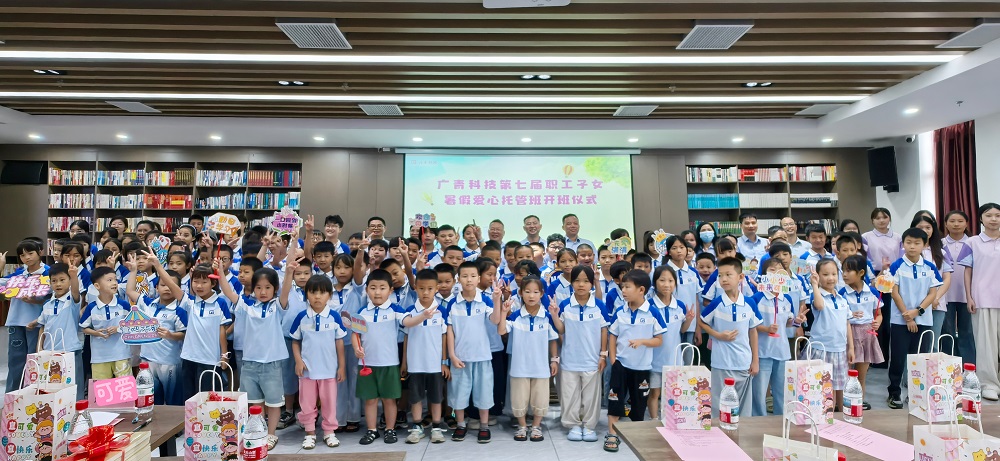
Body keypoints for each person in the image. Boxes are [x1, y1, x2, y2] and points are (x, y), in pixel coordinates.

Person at [605, 270, 665, 453]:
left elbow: (659, 340)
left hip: (642, 367)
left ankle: (636, 433)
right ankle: (612, 434)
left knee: (639, 403)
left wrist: (642, 342)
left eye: (627, 287)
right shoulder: (620, 311)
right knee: (615, 399)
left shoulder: (653, 312)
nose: (623, 290)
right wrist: (613, 360)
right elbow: (613, 336)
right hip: (621, 365)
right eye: (622, 286)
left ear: (641, 290)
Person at [345, 268, 406, 444]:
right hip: (367, 364)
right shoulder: (362, 312)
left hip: (389, 363)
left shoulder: (395, 310)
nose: (377, 292)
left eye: (382, 288)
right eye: (373, 288)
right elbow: (355, 335)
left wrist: (423, 315)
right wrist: (356, 348)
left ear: (390, 290)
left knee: (389, 400)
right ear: (366, 290)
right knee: (370, 400)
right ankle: (372, 430)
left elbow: (408, 321)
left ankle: (390, 429)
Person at [446, 261, 504, 443]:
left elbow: (495, 320)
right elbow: (449, 331)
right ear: (458, 279)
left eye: (472, 276)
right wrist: (452, 355)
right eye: (464, 276)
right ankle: (461, 424)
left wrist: (497, 300)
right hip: (460, 358)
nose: (469, 280)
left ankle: (484, 426)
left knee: (484, 392)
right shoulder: (453, 303)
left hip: (482, 356)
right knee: (459, 393)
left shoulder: (485, 300)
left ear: (478, 278)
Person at [496, 275, 559, 442]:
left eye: (536, 292)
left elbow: (553, 339)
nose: (531, 296)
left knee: (540, 398)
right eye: (527, 291)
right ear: (521, 293)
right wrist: (504, 313)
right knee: (519, 398)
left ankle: (536, 426)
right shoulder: (515, 316)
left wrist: (554, 359)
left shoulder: (547, 316)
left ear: (542, 294)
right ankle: (522, 426)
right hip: (519, 366)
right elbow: (501, 331)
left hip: (540, 367)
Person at [289, 274, 348, 449]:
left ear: (329, 295)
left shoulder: (335, 317)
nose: (317, 297)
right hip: (307, 370)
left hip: (329, 370)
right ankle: (310, 432)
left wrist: (342, 366)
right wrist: (298, 361)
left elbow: (339, 343)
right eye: (313, 292)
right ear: (306, 294)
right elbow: (295, 341)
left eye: (322, 293)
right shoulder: (301, 317)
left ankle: (329, 432)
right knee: (306, 403)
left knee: (329, 402)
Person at [886, 227, 943, 408]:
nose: (912, 246)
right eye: (908, 242)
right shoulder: (896, 266)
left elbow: (933, 293)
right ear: (903, 244)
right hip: (900, 320)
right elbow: (894, 293)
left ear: (925, 245)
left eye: (917, 243)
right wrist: (908, 317)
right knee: (898, 358)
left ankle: (916, 394)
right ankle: (894, 393)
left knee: (919, 358)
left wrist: (918, 311)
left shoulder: (930, 267)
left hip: (923, 320)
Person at [699, 257, 761, 418]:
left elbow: (753, 331)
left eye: (728, 274)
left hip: (744, 362)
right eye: (720, 275)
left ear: (741, 277)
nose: (724, 279)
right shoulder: (716, 303)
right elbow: (702, 322)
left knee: (743, 405)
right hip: (721, 362)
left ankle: (742, 432)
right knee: (718, 403)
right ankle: (718, 432)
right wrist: (717, 335)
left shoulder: (750, 303)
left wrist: (755, 361)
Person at [125, 251, 187, 405]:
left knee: (173, 401)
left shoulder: (179, 310)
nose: (167, 289)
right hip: (147, 360)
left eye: (171, 286)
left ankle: (175, 421)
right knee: (151, 400)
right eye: (163, 285)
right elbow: (130, 291)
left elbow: (184, 334)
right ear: (157, 287)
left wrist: (171, 335)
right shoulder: (147, 303)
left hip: (169, 362)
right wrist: (133, 271)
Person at [555, 265, 608, 443]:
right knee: (570, 394)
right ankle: (574, 425)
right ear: (571, 283)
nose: (581, 284)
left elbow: (604, 330)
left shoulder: (599, 305)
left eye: (586, 281)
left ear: (592, 283)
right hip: (570, 359)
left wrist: (603, 355)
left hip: (592, 359)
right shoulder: (565, 305)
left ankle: (589, 426)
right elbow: (561, 329)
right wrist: (554, 315)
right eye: (577, 280)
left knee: (591, 396)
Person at [400, 269, 449, 444]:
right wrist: (404, 362)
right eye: (421, 288)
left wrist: (444, 361)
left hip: (435, 364)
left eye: (430, 288)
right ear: (415, 287)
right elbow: (406, 338)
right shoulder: (410, 311)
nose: (425, 292)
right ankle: (417, 427)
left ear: (436, 288)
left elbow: (444, 337)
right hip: (415, 364)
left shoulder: (442, 311)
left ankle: (436, 427)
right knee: (416, 397)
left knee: (436, 397)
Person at [957, 202, 1000, 401]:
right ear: (981, 218)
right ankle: (988, 384)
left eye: (997, 215)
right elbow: (968, 271)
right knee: (986, 346)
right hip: (983, 298)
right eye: (989, 215)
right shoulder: (972, 242)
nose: (994, 219)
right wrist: (969, 297)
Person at [26, 263, 85, 399]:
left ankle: (77, 408)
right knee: (53, 386)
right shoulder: (47, 304)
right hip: (50, 352)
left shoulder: (71, 301)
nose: (58, 284)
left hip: (70, 350)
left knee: (74, 385)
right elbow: (43, 326)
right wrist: (39, 348)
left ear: (69, 281)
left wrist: (74, 276)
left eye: (62, 280)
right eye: (54, 281)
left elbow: (75, 291)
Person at [807, 259, 856, 412]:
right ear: (818, 275)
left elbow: (847, 323)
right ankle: (823, 418)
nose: (830, 278)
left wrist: (851, 348)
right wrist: (814, 285)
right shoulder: (816, 295)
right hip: (821, 349)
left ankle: (833, 418)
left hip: (839, 350)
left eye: (834, 274)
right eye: (825, 274)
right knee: (822, 390)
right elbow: (819, 305)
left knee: (836, 387)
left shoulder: (842, 299)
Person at [647, 265, 694, 420]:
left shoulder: (679, 305)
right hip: (654, 360)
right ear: (655, 283)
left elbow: (682, 330)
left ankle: (671, 420)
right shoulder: (649, 305)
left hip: (674, 359)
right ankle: (654, 420)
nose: (666, 284)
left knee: (674, 392)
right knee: (654, 393)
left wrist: (689, 320)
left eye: (670, 281)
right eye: (662, 280)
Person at [2, 240, 49, 392]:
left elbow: (54, 297)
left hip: (36, 323)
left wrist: (36, 301)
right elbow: (3, 285)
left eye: (30, 253)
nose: (27, 257)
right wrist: (1, 266)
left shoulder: (48, 273)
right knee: (15, 361)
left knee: (34, 361)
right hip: (16, 322)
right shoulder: (18, 274)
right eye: (22, 255)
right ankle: (12, 396)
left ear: (40, 252)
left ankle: (32, 396)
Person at [179, 264, 232, 400]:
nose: (199, 286)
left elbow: (222, 331)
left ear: (213, 283)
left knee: (207, 398)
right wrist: (157, 265)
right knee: (189, 398)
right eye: (195, 281)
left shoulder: (220, 303)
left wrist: (224, 355)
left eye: (204, 282)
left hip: (210, 359)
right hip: (189, 357)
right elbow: (173, 287)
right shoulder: (190, 301)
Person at [750, 258, 795, 416]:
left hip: (782, 351)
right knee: (759, 392)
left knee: (782, 391)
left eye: (779, 271)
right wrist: (766, 329)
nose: (776, 274)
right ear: (764, 275)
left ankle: (781, 419)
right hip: (762, 352)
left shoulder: (787, 298)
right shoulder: (757, 298)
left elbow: (788, 323)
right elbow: (750, 325)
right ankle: (759, 421)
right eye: (772, 270)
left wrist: (796, 320)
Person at [839, 254, 883, 411]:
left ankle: (858, 405)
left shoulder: (872, 292)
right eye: (843, 271)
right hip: (848, 334)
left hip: (867, 334)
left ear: (861, 273)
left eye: (849, 271)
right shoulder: (841, 293)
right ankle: (843, 405)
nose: (844, 274)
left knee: (860, 376)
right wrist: (850, 315)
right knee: (844, 374)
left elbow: (878, 314)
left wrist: (878, 322)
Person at [80, 266, 132, 380]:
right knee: (101, 388)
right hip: (99, 357)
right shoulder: (91, 308)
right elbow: (83, 328)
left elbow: (132, 324)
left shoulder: (124, 305)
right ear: (97, 286)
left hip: (121, 354)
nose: (114, 283)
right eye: (109, 280)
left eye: (115, 279)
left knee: (125, 386)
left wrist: (118, 328)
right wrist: (96, 333)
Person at [910, 215, 953, 348]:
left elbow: (947, 278)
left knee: (933, 343)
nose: (925, 230)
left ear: (933, 229)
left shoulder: (941, 252)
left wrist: (936, 298)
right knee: (916, 344)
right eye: (920, 227)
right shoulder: (908, 252)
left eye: (928, 227)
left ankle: (932, 364)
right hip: (915, 304)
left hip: (937, 304)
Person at [942, 210, 975, 365]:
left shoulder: (973, 243)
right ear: (946, 224)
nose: (956, 224)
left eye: (960, 221)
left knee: (967, 332)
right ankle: (948, 366)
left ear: (966, 224)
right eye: (952, 221)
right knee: (947, 332)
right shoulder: (940, 244)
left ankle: (969, 366)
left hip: (968, 295)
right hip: (945, 295)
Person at [664, 236, 700, 345]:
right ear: (669, 251)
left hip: (691, 324)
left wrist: (698, 327)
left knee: (688, 354)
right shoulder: (663, 271)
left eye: (682, 247)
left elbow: (696, 300)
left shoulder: (693, 272)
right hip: (670, 323)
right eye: (674, 248)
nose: (679, 251)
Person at [863, 207, 901, 275]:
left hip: (895, 272)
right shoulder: (866, 237)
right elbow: (863, 257)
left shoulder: (898, 237)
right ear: (872, 220)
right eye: (877, 218)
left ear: (889, 219)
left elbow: (901, 256)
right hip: (873, 273)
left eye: (885, 217)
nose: (881, 220)